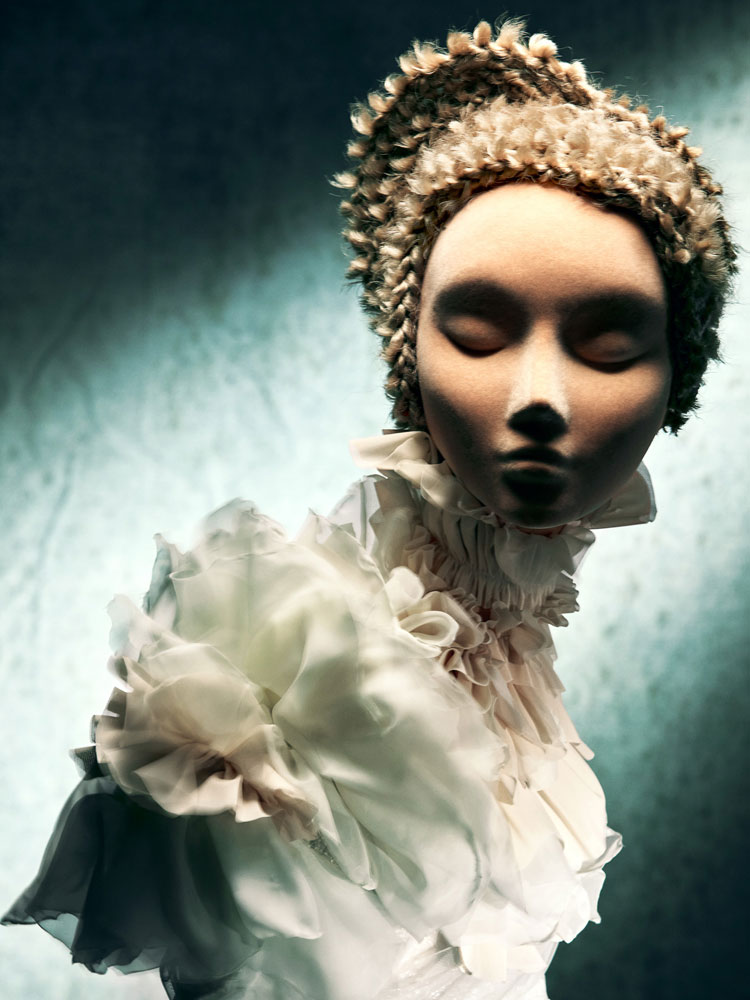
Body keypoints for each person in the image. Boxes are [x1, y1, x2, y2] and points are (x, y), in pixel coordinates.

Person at [2, 18, 736, 1000]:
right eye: (476, 335)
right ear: (410, 361)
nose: (539, 398)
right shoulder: (290, 662)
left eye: (609, 348)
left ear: (674, 384)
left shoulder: (507, 642)